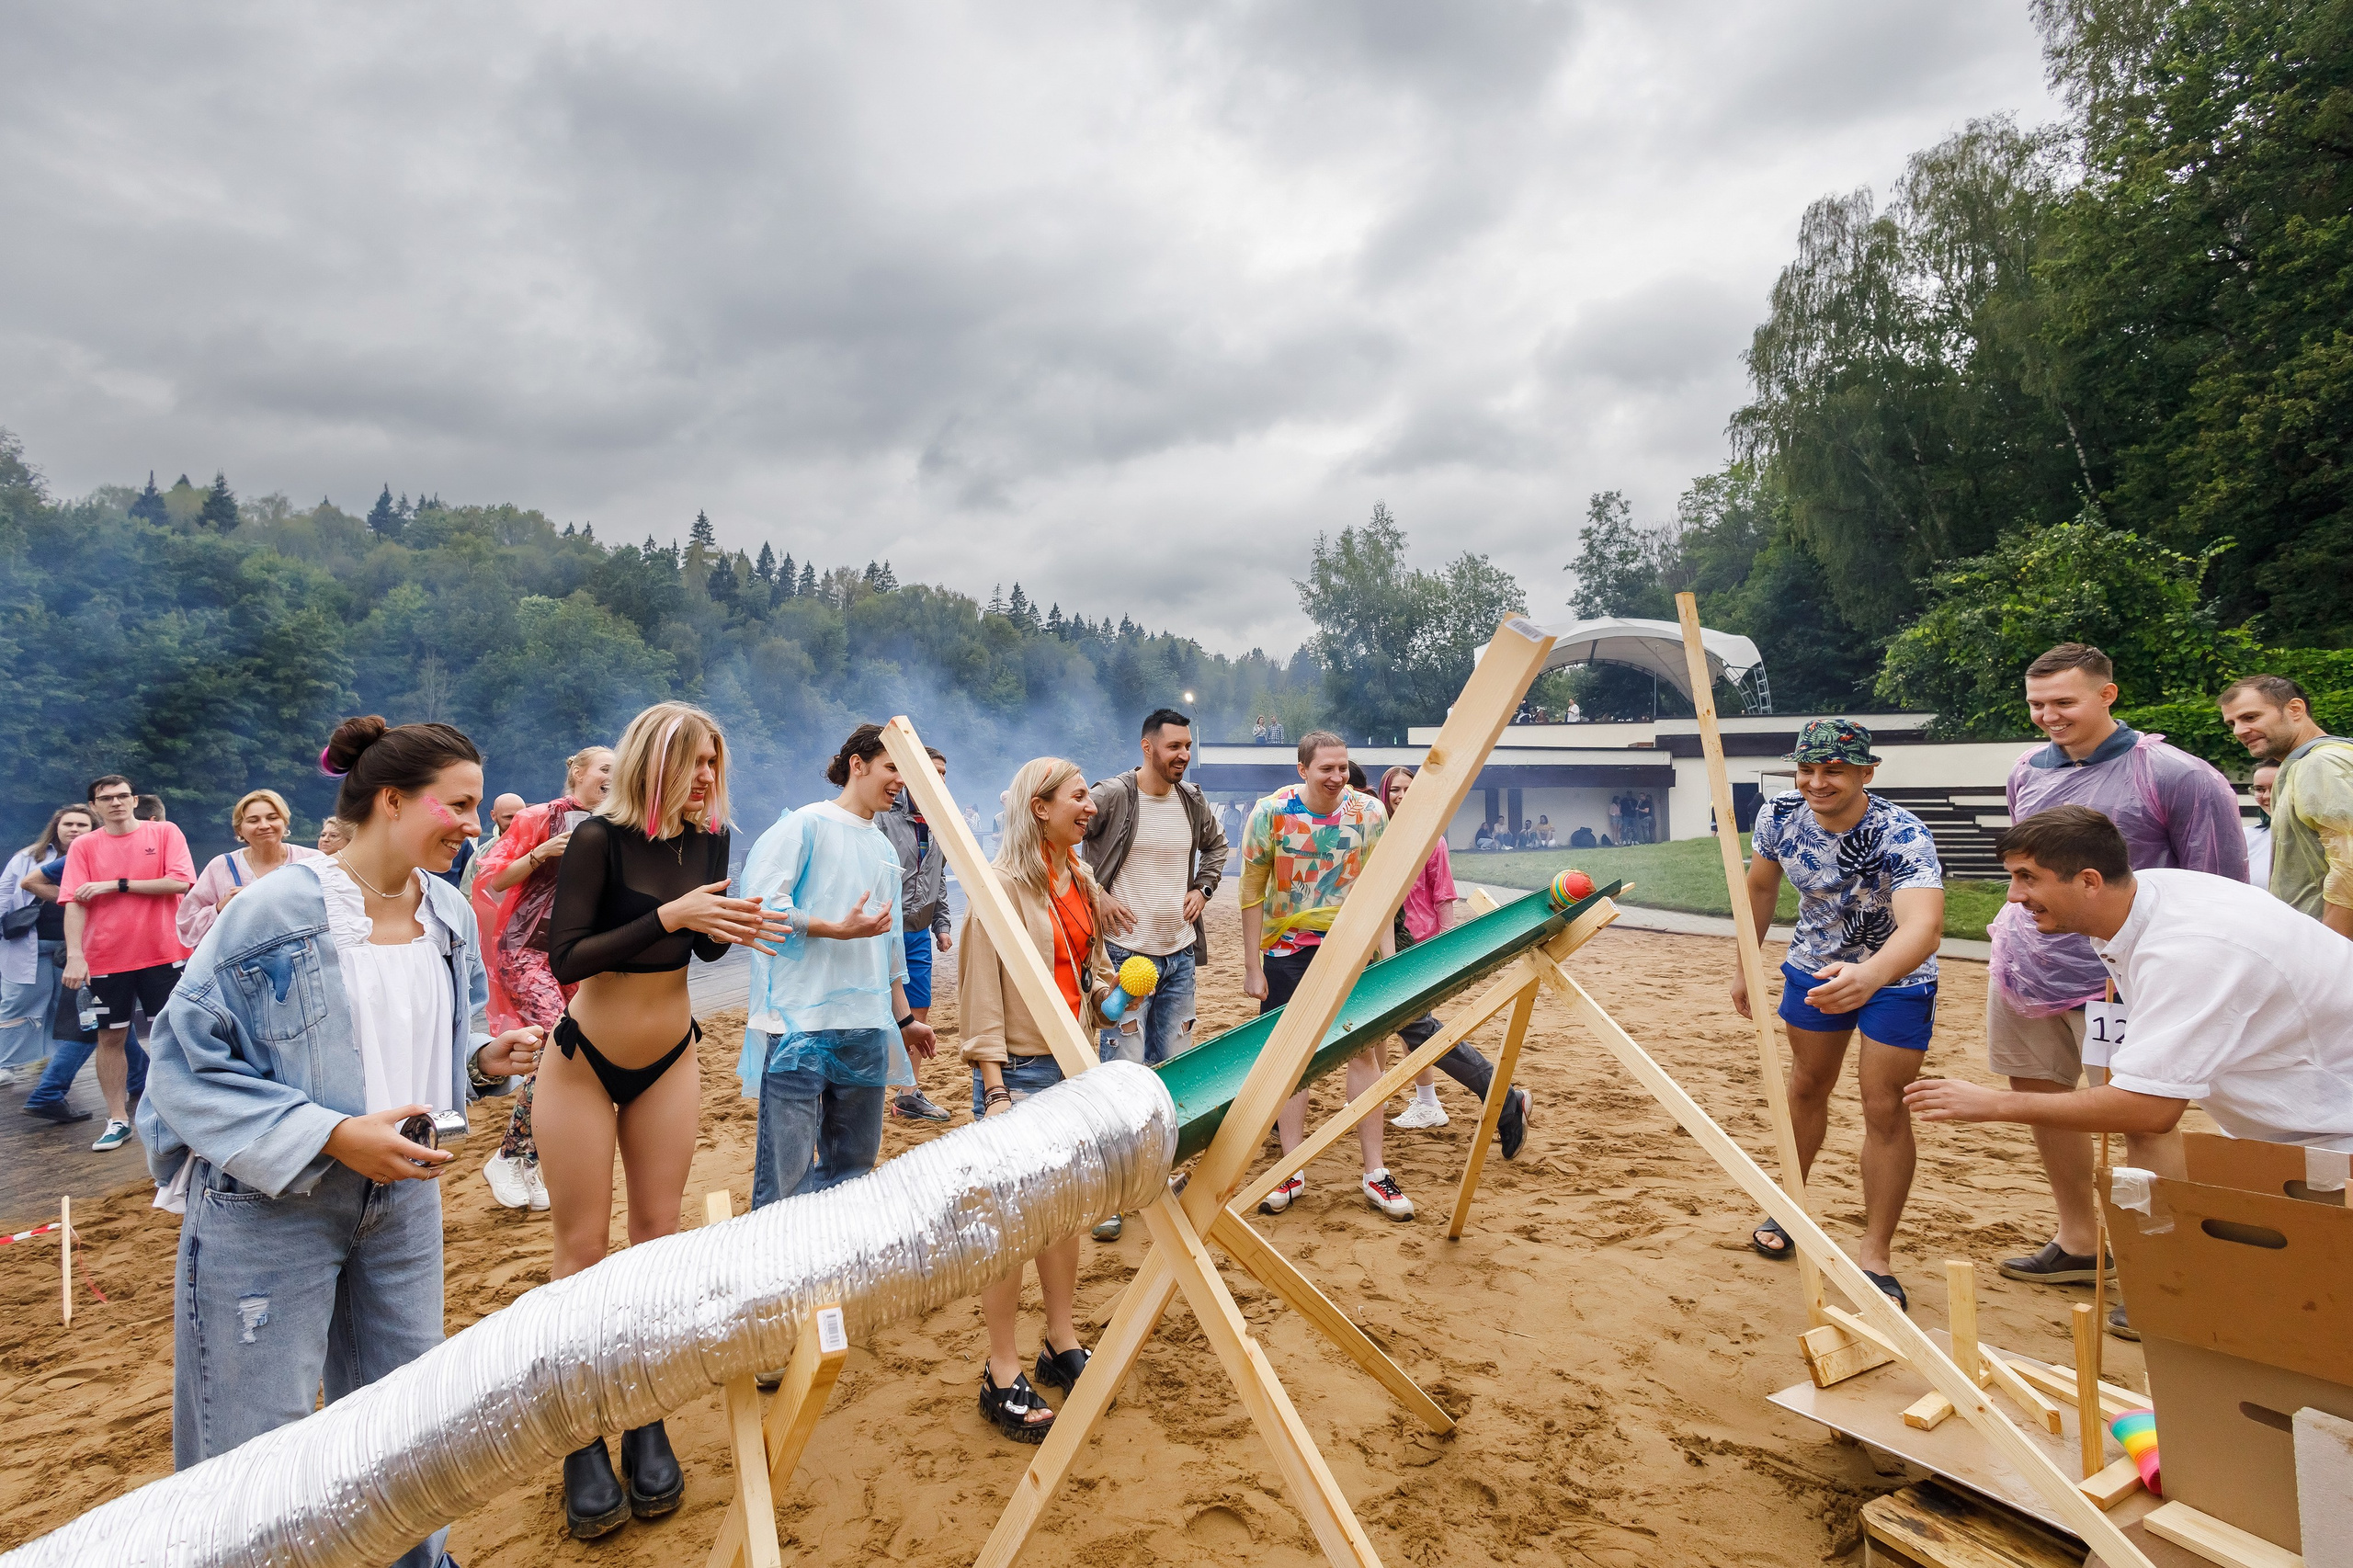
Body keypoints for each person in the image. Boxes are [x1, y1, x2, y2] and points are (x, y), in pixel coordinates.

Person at [137, 715, 540, 1568]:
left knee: (404, 1420)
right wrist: (329, 1134)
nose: (475, 825)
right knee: (254, 1446)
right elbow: (179, 1064)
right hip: (269, 1211)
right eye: (460, 805)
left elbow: (413, 1031)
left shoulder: (449, 911)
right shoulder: (270, 910)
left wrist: (476, 1056)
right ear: (393, 800)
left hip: (404, 1203)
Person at [540, 703, 776, 1540]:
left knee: (658, 1241)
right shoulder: (598, 841)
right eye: (693, 762)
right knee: (581, 1252)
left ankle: (644, 1415)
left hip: (671, 1054)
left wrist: (730, 926)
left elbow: (699, 951)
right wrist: (668, 918)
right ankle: (578, 1438)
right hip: (581, 1065)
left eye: (714, 761)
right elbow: (567, 956)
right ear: (652, 763)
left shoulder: (709, 842)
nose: (708, 777)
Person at [1909, 805, 2353, 1239]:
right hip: (2301, 1120)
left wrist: (1992, 1105)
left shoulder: (2186, 952)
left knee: (2294, 1283)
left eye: (2028, 878)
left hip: (2333, 1132)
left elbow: (2150, 1109)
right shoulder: (2151, 895)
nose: (2013, 896)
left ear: (2089, 881)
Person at [1986, 643, 2246, 1294]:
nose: (2049, 716)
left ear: (2108, 695)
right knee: (2043, 1102)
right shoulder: (2027, 771)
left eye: (2064, 702)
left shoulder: (2177, 775)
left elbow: (2218, 887)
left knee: (2140, 1117)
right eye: (2037, 704)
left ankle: (2157, 1272)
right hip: (2029, 967)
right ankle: (2079, 1242)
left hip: (2129, 977)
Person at [1733, 720, 1946, 1310]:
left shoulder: (1901, 832)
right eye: (1807, 769)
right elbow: (1760, 891)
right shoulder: (1777, 816)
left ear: (1865, 773)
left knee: (1884, 1105)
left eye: (1833, 771)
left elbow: (1924, 927)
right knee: (1807, 1087)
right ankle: (1789, 1207)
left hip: (1896, 978)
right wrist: (1746, 965)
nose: (1816, 782)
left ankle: (1875, 1253)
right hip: (1812, 968)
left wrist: (1870, 976)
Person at [957, 756, 1116, 1441]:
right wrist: (995, 1091)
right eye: (1080, 798)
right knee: (1008, 1229)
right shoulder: (994, 890)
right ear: (1040, 808)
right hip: (1016, 1076)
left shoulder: (1079, 878)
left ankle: (1059, 1339)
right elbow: (979, 1000)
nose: (1092, 808)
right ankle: (1000, 1372)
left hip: (1074, 1070)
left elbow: (1093, 976)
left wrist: (1114, 997)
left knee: (1063, 1219)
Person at [740, 724, 938, 1213]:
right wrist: (835, 928)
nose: (899, 782)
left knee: (851, 1173)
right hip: (795, 1027)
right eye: (892, 767)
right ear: (857, 763)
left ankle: (831, 1280)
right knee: (785, 1184)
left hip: (866, 1028)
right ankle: (777, 1283)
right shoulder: (803, 826)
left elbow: (889, 948)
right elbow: (760, 910)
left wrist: (905, 1020)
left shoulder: (885, 850)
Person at [1242, 732, 1412, 1220]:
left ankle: (1375, 1172)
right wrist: (1253, 965)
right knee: (1291, 1062)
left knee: (1362, 1056)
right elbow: (1252, 891)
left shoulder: (1370, 814)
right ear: (1303, 770)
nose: (1338, 777)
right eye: (1327, 769)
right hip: (1287, 951)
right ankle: (1290, 1170)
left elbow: (1382, 889)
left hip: (1350, 950)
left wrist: (1387, 957)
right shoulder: (1271, 814)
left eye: (1343, 767)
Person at [1079, 708, 1227, 1240]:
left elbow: (1217, 847)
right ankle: (1111, 1194)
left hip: (1180, 954)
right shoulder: (1114, 796)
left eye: (1189, 746)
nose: (1184, 755)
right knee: (1122, 1070)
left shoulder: (1192, 800)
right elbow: (1061, 841)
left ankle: (1161, 1173)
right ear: (1147, 747)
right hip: (1124, 957)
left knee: (1174, 1067)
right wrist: (1099, 895)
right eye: (1174, 747)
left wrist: (1203, 890)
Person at [470, 746, 614, 1210]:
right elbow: (492, 879)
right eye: (605, 769)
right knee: (558, 1043)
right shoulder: (538, 817)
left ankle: (528, 1157)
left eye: (621, 771)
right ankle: (510, 1156)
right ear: (577, 771)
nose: (613, 778)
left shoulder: (615, 822)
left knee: (574, 1057)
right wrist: (540, 852)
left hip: (578, 952)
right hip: (526, 948)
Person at [1381, 767, 1530, 1151]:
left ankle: (1497, 1097)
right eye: (1394, 789)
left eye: (1407, 789)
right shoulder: (1378, 834)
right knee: (1410, 1030)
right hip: (1387, 947)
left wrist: (1446, 948)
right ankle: (1421, 1100)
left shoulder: (1432, 839)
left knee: (1417, 1029)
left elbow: (1444, 894)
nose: (1400, 795)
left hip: (1419, 943)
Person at [60, 774, 196, 1153]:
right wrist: (75, 955)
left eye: (122, 796)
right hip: (105, 957)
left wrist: (115, 884)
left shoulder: (165, 832)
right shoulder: (85, 846)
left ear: (135, 801)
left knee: (173, 1035)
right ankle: (117, 1119)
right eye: (107, 799)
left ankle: (181, 1114)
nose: (116, 803)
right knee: (110, 1036)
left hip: (164, 951)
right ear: (94, 807)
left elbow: (181, 883)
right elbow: (73, 901)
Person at [2218, 674, 2353, 937]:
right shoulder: (2327, 756)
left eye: (2250, 717)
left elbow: (2349, 865)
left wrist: (2333, 948)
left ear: (2295, 709)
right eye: (2231, 723)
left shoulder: (2319, 764)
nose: (2238, 731)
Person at [16, 807, 119, 1123]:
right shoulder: (88, 851)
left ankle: (139, 1081)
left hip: (114, 947)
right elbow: (29, 882)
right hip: (93, 949)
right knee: (94, 1025)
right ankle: (48, 1093)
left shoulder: (140, 845)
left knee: (116, 1022)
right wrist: (76, 897)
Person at [879, 746, 956, 1123]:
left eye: (944, 774)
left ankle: (908, 1094)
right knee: (881, 1010)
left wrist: (941, 924)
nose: (939, 780)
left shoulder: (939, 822)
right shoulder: (884, 816)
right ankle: (869, 1089)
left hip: (919, 932)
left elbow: (937, 877)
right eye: (932, 772)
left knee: (918, 1009)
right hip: (880, 932)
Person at [1, 808, 92, 1083]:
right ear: (56, 827)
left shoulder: (98, 855)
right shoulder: (29, 857)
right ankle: (7, 1063)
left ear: (92, 829)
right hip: (32, 943)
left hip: (75, 947)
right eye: (68, 824)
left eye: (81, 825)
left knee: (62, 1006)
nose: (74, 829)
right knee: (18, 1003)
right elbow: (5, 893)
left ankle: (50, 1061)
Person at [176, 790, 327, 948]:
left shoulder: (313, 861)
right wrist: (222, 907)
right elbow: (187, 925)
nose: (264, 825)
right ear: (239, 830)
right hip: (242, 968)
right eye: (253, 820)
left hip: (308, 962)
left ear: (285, 823)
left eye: (272, 818)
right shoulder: (222, 866)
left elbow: (341, 913)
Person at [460, 792, 527, 902]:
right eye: (508, 817)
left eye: (520, 816)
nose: (515, 822)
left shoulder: (538, 846)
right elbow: (466, 896)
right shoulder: (482, 855)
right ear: (493, 816)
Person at [2244, 763, 2279, 893]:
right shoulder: (2245, 838)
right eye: (2259, 789)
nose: (2267, 796)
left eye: (2277, 788)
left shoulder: (2322, 838)